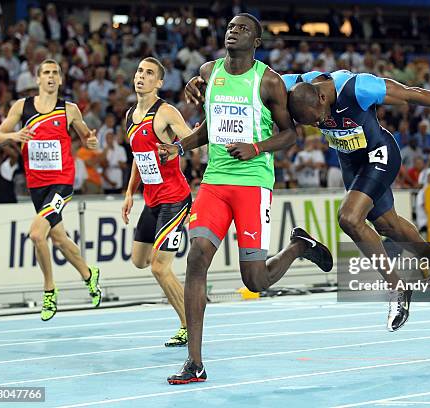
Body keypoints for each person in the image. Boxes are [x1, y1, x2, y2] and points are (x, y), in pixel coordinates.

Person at [158, 14, 333, 384]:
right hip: (215, 181)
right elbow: (210, 127)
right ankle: (195, 362)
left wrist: (255, 147)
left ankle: (297, 247)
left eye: (243, 29)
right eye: (231, 26)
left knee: (254, 280)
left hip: (253, 183)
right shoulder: (209, 71)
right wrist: (179, 146)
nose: (233, 31)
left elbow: (290, 136)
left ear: (256, 42)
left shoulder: (268, 82)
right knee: (197, 257)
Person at [282, 70, 430, 331]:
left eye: (319, 117)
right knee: (388, 226)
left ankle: (397, 289)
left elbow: (410, 94)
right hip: (351, 163)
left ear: (322, 96)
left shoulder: (358, 87)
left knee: (349, 218)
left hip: (379, 154)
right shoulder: (289, 85)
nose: (320, 123)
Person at [0, 59, 101, 321]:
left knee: (37, 234)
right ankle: (89, 274)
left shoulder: (69, 110)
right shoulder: (23, 107)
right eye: (46, 73)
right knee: (59, 238)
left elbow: (87, 136)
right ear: (37, 79)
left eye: (55, 73)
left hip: (62, 181)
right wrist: (13, 136)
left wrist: (92, 140)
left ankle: (49, 290)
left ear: (60, 80)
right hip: (36, 184)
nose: (51, 77)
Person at [121, 57, 195, 347]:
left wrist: (177, 149)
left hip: (175, 199)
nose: (141, 76)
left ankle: (190, 324)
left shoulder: (165, 112)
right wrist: (129, 192)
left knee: (159, 267)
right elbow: (140, 159)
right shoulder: (130, 116)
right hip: (151, 200)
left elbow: (193, 139)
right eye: (139, 70)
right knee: (139, 261)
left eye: (149, 73)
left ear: (159, 82)